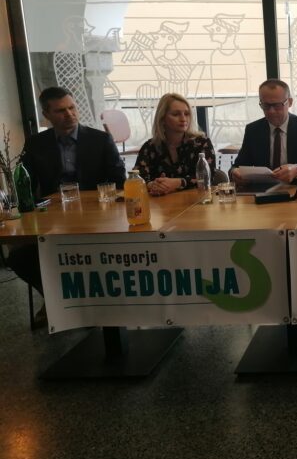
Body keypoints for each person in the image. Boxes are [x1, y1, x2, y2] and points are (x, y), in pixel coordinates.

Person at [6, 87, 126, 324]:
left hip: (96, 216)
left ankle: (89, 299)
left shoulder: (100, 139)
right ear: (46, 115)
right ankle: (55, 298)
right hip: (54, 217)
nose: (69, 114)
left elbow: (119, 181)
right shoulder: (36, 143)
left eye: (72, 108)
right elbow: (26, 183)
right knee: (19, 256)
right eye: (61, 111)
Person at [231, 79, 297, 185]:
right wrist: (235, 172)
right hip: (263, 192)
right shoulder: (253, 130)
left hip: (296, 191)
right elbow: (237, 167)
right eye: (266, 106)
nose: (271, 111)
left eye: (277, 105)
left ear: (289, 102)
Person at [134, 93, 215, 195]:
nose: (183, 119)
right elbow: (136, 178)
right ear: (162, 119)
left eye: (186, 114)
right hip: (160, 203)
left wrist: (178, 183)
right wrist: (153, 185)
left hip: (195, 201)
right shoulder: (150, 147)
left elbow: (208, 177)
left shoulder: (202, 143)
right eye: (176, 114)